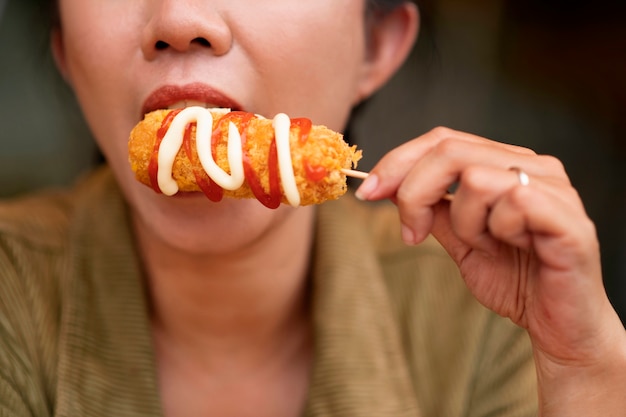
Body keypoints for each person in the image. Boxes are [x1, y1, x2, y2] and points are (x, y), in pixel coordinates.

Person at [1, 0, 624, 416]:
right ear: (66, 56)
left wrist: (584, 370)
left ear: (375, 46)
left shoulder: (484, 317)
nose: (182, 18)